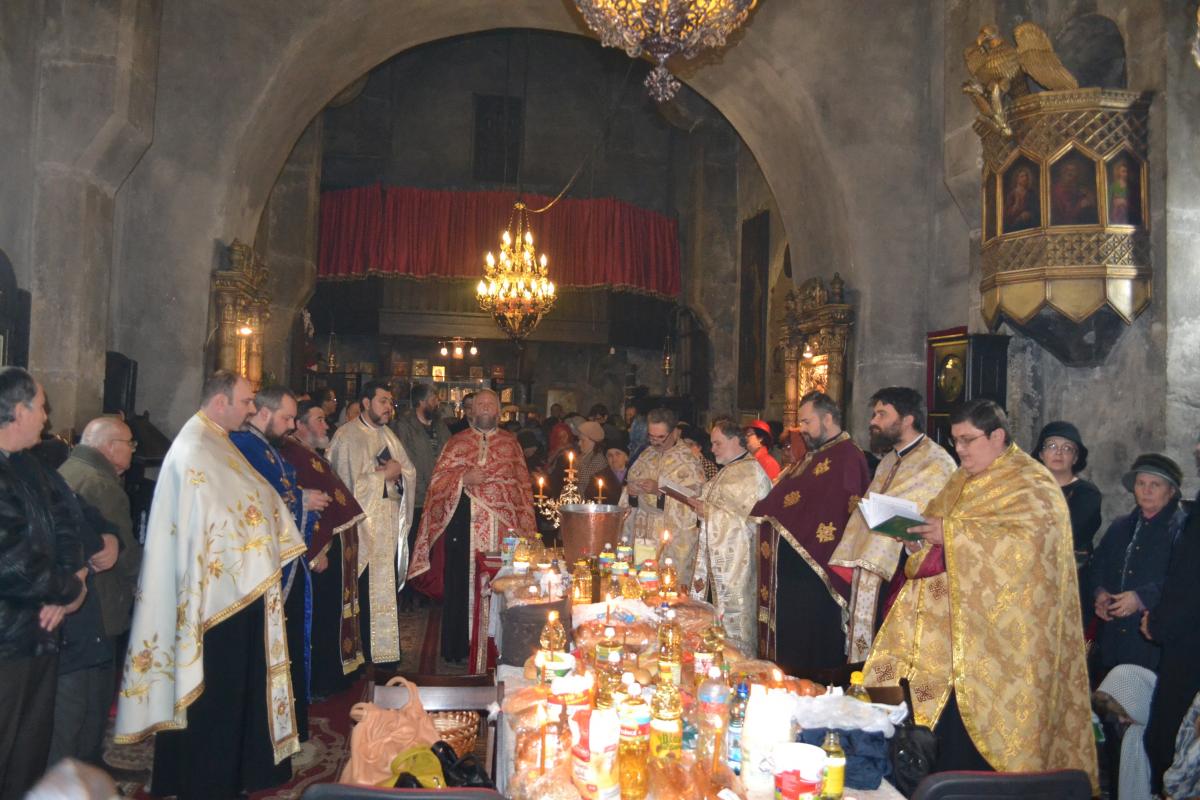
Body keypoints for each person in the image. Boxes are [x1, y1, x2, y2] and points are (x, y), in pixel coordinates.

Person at [864, 400, 1096, 789]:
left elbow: (1027, 550)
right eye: (956, 441)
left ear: (998, 436)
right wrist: (918, 540)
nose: (961, 451)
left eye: (969, 440)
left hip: (1002, 648)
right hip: (950, 638)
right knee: (941, 742)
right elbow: (937, 527)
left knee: (983, 759)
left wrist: (950, 535)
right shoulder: (961, 479)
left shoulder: (1032, 484)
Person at [115, 371, 306, 800]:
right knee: (212, 697)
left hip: (235, 592)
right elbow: (217, 518)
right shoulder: (195, 447)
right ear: (220, 402)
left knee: (229, 691)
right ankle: (206, 779)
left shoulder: (216, 440)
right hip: (215, 598)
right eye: (245, 402)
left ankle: (229, 771)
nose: (251, 410)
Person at [0, 368, 89, 799]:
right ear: (18, 411)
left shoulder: (31, 467)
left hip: (40, 632)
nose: (47, 418)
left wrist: (72, 577)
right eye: (41, 407)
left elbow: (69, 521)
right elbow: (11, 563)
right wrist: (68, 591)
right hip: (6, 641)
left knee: (28, 755)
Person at [409, 389, 536, 673]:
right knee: (460, 583)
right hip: (463, 526)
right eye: (481, 404)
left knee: (503, 584)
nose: (486, 408)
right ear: (471, 410)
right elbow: (437, 484)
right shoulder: (456, 443)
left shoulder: (511, 443)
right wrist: (462, 479)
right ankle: (460, 646)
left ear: (499, 410)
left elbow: (522, 489)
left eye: (491, 403)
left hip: (504, 530)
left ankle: (499, 647)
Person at [230, 386, 329, 741]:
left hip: (286, 562)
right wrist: (303, 500)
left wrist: (303, 500)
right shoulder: (244, 447)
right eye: (287, 418)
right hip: (263, 571)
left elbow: (281, 491)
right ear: (264, 413)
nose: (291, 425)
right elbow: (254, 506)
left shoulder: (268, 446)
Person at [830, 387, 956, 662]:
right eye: (875, 414)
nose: (873, 421)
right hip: (872, 568)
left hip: (904, 572)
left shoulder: (937, 462)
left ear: (908, 419)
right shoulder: (889, 460)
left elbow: (935, 521)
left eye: (882, 414)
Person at [753, 391, 869, 675]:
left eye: (806, 421)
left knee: (812, 646)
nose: (800, 429)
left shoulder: (848, 457)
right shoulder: (815, 455)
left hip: (818, 573)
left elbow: (841, 516)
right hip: (794, 574)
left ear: (827, 418)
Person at [52, 416, 142, 767]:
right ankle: (83, 770)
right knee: (88, 699)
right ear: (109, 447)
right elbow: (124, 552)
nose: (134, 450)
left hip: (84, 607)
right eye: (130, 443)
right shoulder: (101, 484)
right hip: (98, 604)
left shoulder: (71, 469)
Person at [279, 400, 366, 697]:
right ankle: (319, 680)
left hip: (333, 549)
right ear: (300, 425)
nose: (326, 425)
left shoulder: (306, 453)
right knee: (319, 618)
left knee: (332, 615)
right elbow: (297, 506)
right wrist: (315, 551)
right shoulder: (290, 454)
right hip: (319, 553)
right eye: (318, 419)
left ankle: (335, 672)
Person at [328, 381, 415, 666]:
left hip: (387, 526)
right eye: (383, 401)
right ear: (366, 403)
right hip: (360, 532)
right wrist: (383, 476)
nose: (389, 407)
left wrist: (398, 475)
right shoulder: (347, 436)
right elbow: (344, 488)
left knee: (383, 590)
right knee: (362, 593)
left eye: (391, 401)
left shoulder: (388, 435)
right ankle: (360, 655)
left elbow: (408, 471)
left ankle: (385, 653)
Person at [1141, 436, 1200, 794]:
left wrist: (1159, 622)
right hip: (1183, 637)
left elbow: (1188, 581)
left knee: (1170, 745)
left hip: (1189, 645)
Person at [1089, 453, 1184, 675]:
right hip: (1113, 639)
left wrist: (1141, 598)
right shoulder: (1120, 527)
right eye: (1141, 483)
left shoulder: (1182, 531)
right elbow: (1098, 565)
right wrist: (1100, 594)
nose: (1146, 490)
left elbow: (1185, 582)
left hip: (1152, 643)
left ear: (1171, 492)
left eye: (1155, 485)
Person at [688, 418, 771, 654]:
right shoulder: (729, 471)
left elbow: (754, 523)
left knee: (735, 630)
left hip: (738, 568)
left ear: (736, 440)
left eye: (717, 443)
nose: (712, 449)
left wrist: (710, 513)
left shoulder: (751, 473)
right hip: (717, 566)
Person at [618, 407, 705, 585]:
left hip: (667, 538)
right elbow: (628, 497)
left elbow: (693, 506)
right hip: (641, 532)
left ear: (675, 432)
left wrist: (659, 492)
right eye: (651, 436)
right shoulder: (645, 455)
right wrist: (631, 492)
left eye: (660, 437)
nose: (655, 442)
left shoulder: (688, 462)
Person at [393, 382, 452, 609]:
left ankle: (428, 589)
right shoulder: (404, 426)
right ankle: (407, 592)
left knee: (432, 546)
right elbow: (406, 459)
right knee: (409, 544)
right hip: (415, 497)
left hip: (439, 497)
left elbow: (449, 453)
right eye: (434, 398)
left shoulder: (441, 427)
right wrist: (427, 485)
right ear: (421, 402)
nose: (437, 402)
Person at [1034, 421, 1102, 562]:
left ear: (1075, 458)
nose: (1058, 452)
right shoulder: (1030, 489)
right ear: (1041, 454)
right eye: (1052, 446)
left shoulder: (1087, 494)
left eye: (1067, 448)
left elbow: (1068, 532)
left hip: (1073, 573)